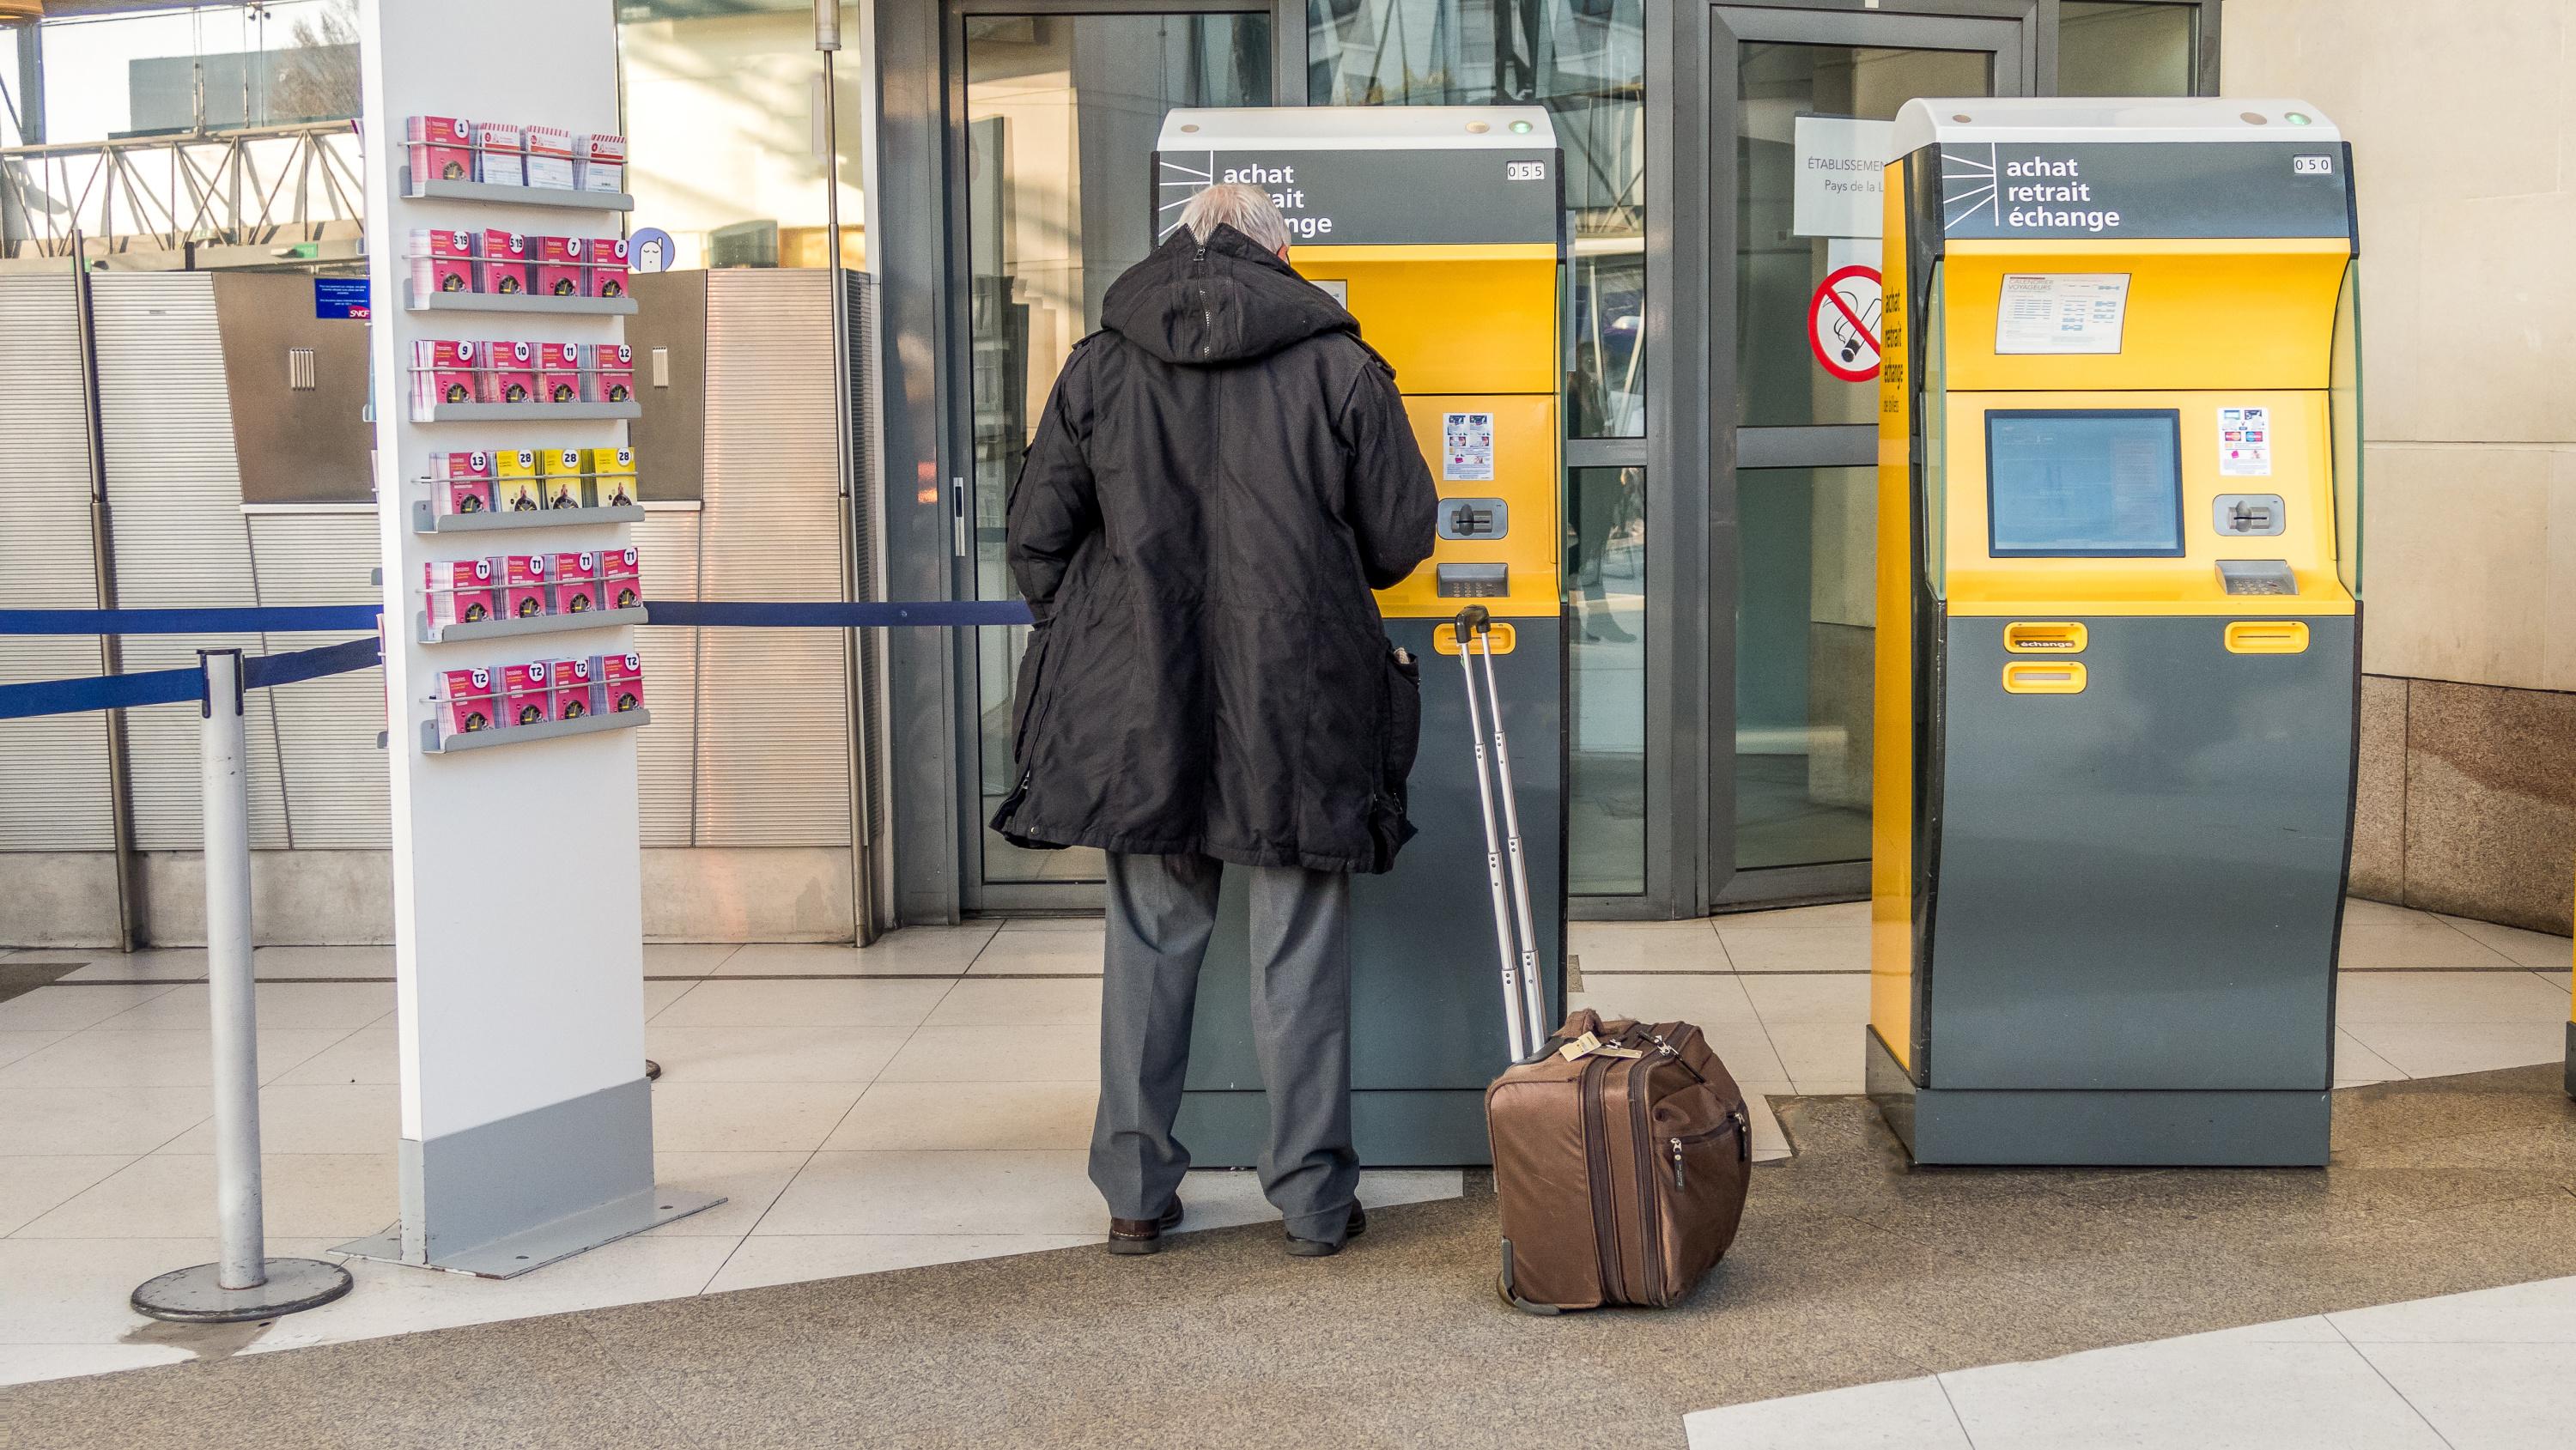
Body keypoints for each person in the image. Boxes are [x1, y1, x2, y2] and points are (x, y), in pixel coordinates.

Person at [993, 183, 1437, 1258]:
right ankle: (1314, 1202)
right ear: (1279, 254)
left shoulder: (1101, 363)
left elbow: (1037, 533)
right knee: (1298, 952)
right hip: (1298, 700)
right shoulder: (1340, 364)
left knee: (1148, 944)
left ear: (1175, 247)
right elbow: (1399, 533)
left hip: (1139, 703)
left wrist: (1104, 628)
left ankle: (1137, 1194)